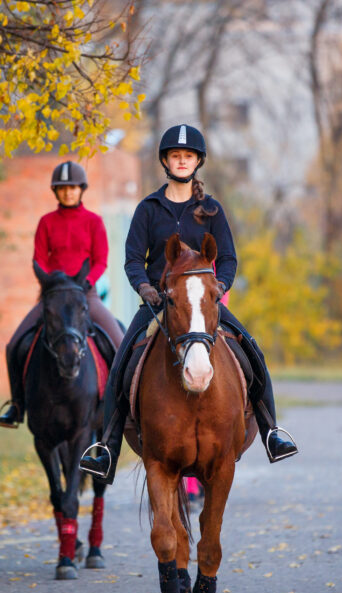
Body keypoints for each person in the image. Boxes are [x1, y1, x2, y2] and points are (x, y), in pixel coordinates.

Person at [79, 124, 298, 482]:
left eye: (188, 156)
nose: (182, 161)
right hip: (158, 303)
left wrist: (219, 286)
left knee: (253, 352)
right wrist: (145, 289)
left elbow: (227, 258)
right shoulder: (148, 208)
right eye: (176, 156)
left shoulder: (211, 210)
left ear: (197, 162)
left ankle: (272, 432)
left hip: (203, 303)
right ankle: (106, 447)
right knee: (121, 363)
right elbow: (133, 258)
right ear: (166, 160)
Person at [0, 160, 124, 427]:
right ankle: (18, 406)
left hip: (85, 296)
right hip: (52, 298)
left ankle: (123, 406)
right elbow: (39, 260)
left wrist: (84, 282)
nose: (68, 192)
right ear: (56, 191)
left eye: (73, 187)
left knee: (119, 343)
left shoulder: (94, 222)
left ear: (81, 189)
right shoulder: (46, 222)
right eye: (63, 188)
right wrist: (51, 284)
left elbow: (101, 260)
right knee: (13, 345)